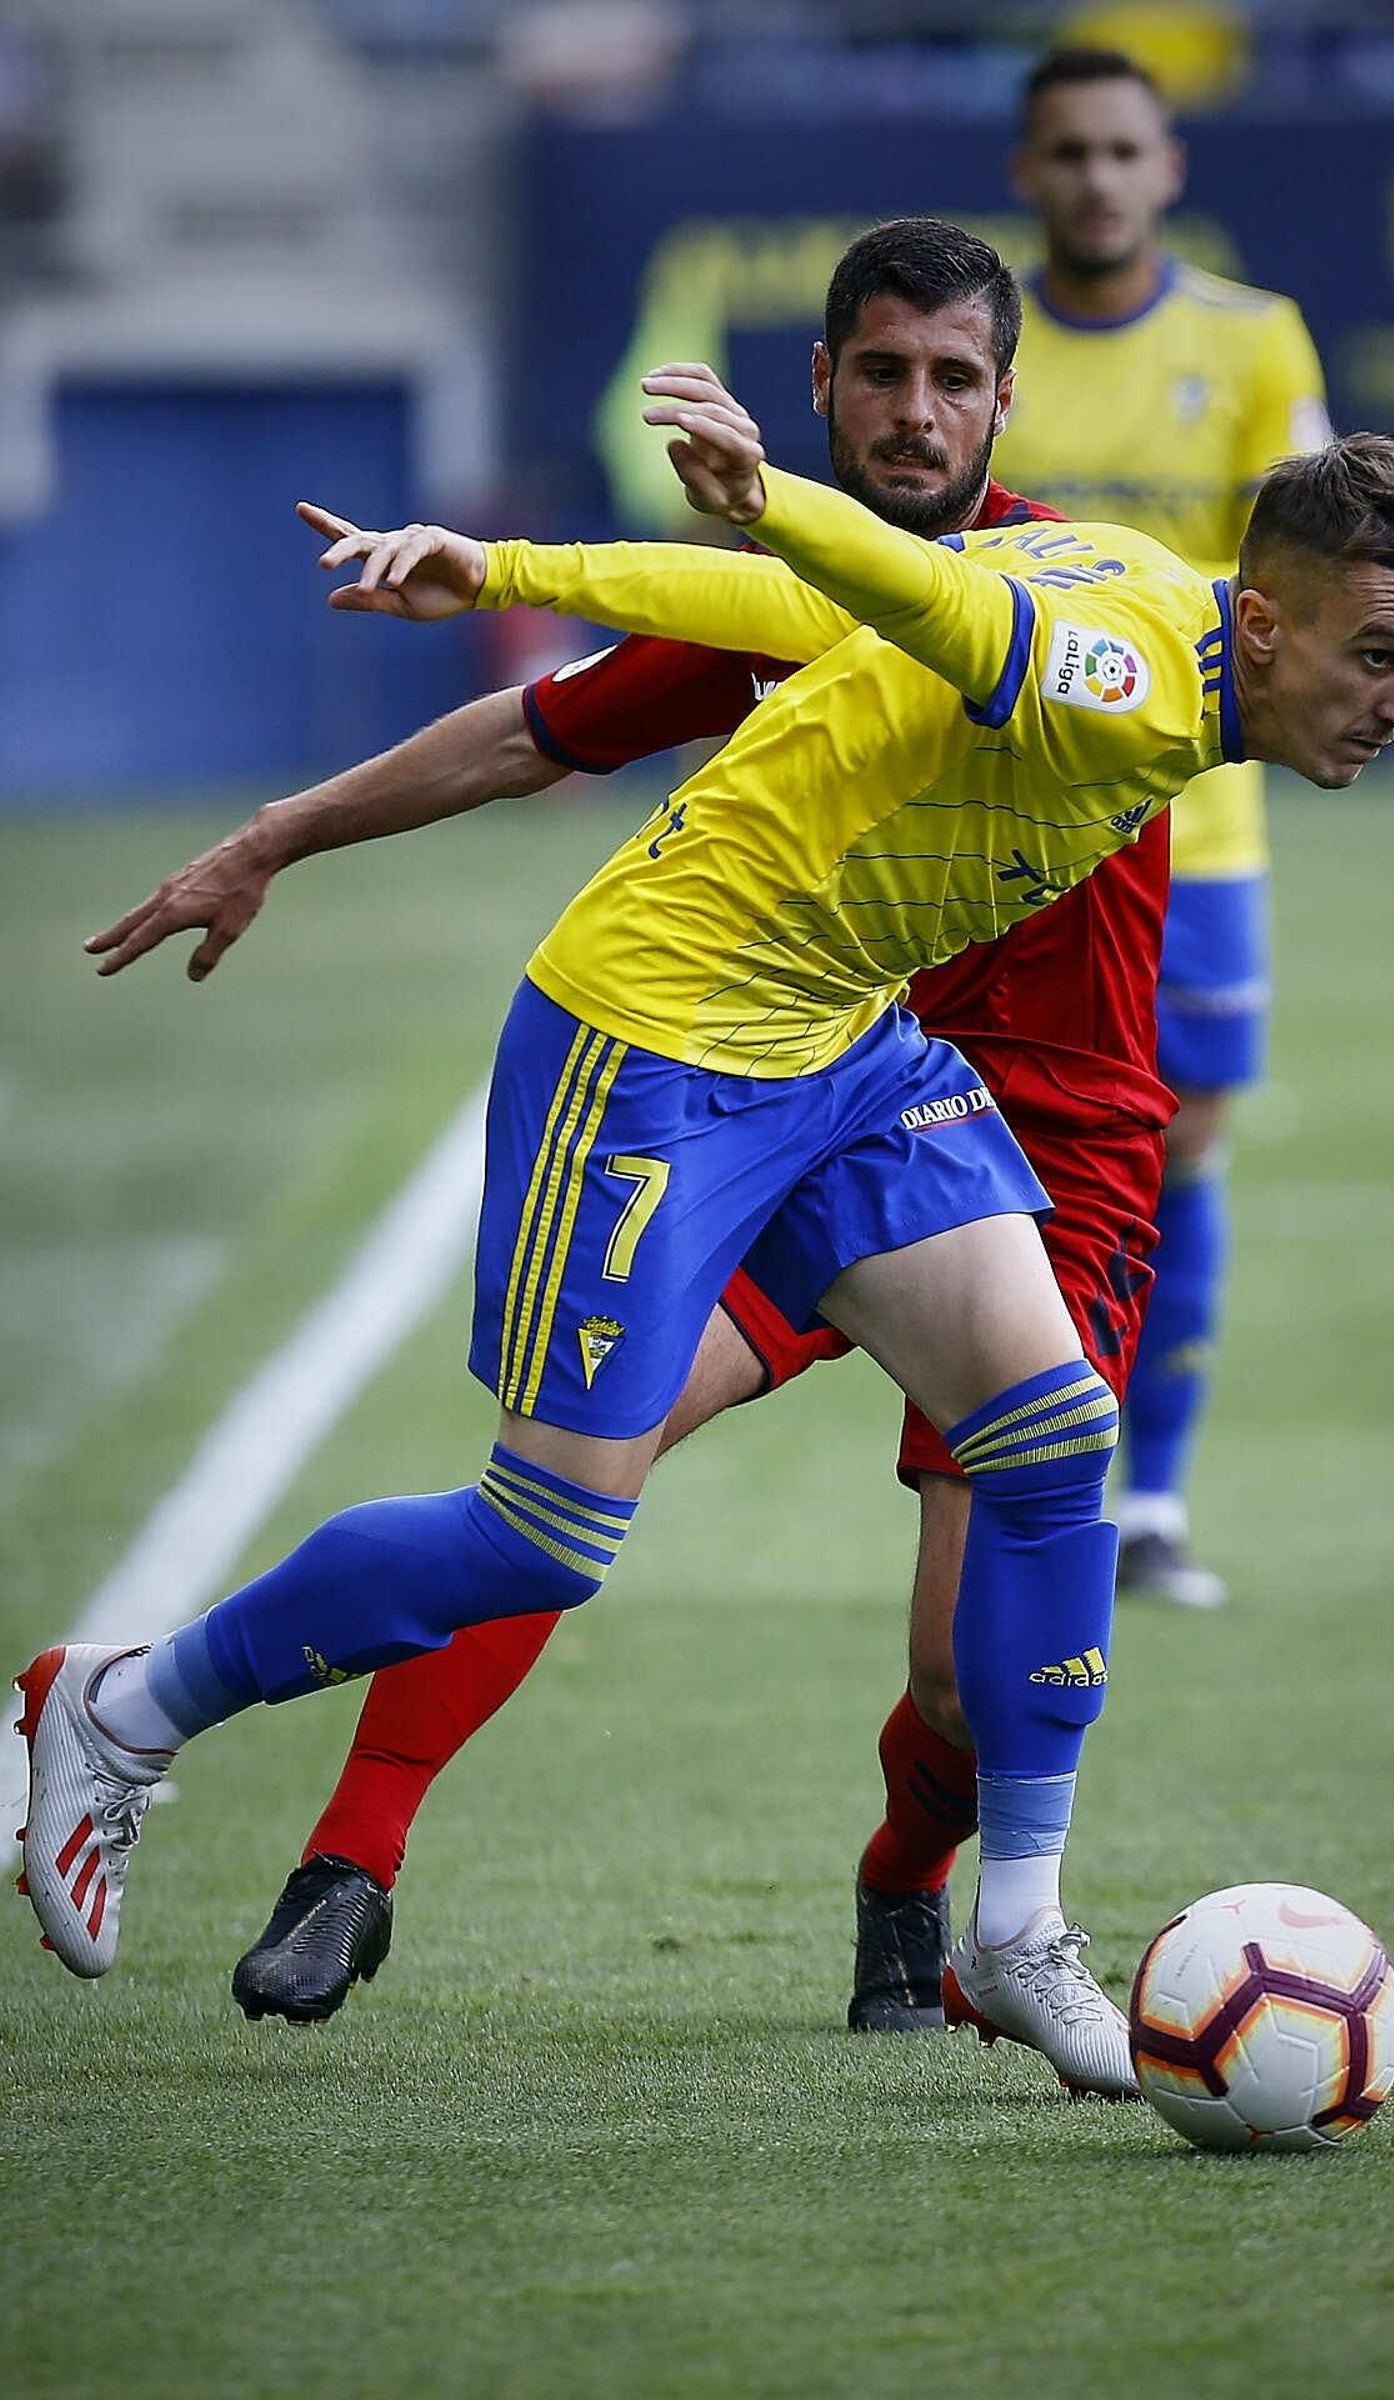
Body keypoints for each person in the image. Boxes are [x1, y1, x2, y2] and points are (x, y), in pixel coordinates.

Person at [15, 231, 1394, 2112]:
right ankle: (118, 1709)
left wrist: (521, 568)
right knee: (542, 1536)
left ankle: (1013, 1926)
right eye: (1383, 660)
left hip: (849, 1048)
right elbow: (944, 625)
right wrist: (756, 510)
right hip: (656, 1041)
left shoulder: (1146, 576)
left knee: (1047, 1448)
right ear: (1272, 630)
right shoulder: (1122, 665)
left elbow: (809, 615)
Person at [215, 221, 1173, 2044]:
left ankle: (907, 1888)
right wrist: (275, 835)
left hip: (1046, 1159)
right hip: (803, 1090)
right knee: (578, 1465)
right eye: (878, 374)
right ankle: (351, 1861)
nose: (912, 413)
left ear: (1001, 403)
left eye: (951, 379)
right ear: (820, 387)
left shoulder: (1059, 594)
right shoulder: (780, 604)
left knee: (968, 1680)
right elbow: (534, 732)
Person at [1000, 46, 1333, 1607]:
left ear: (1169, 167)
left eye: (1122, 150)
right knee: (986, 1159)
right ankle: (1026, 1479)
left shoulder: (1252, 342)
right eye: (1068, 151)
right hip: (1002, 823)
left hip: (1197, 824)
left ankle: (1154, 1500)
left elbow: (1317, 561)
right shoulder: (976, 347)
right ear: (1028, 170)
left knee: (1181, 1145)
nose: (1096, 178)